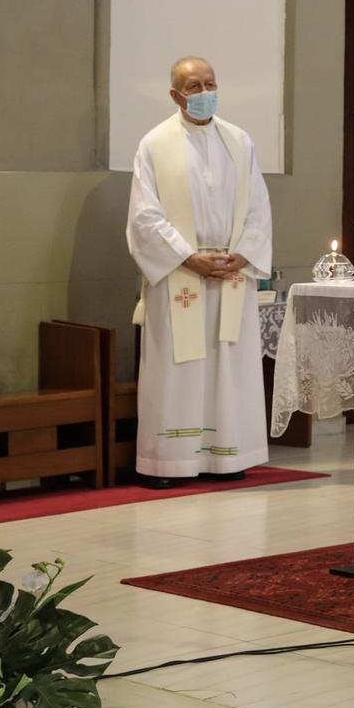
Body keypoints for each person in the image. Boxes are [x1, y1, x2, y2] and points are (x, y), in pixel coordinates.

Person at [125, 57, 274, 487]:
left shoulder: (238, 141)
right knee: (179, 368)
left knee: (228, 364)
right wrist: (188, 257)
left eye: (210, 83)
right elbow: (144, 217)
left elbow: (259, 209)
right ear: (175, 94)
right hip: (179, 273)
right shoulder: (154, 144)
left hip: (230, 272)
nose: (204, 92)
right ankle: (170, 461)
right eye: (194, 86)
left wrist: (242, 255)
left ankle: (227, 455)